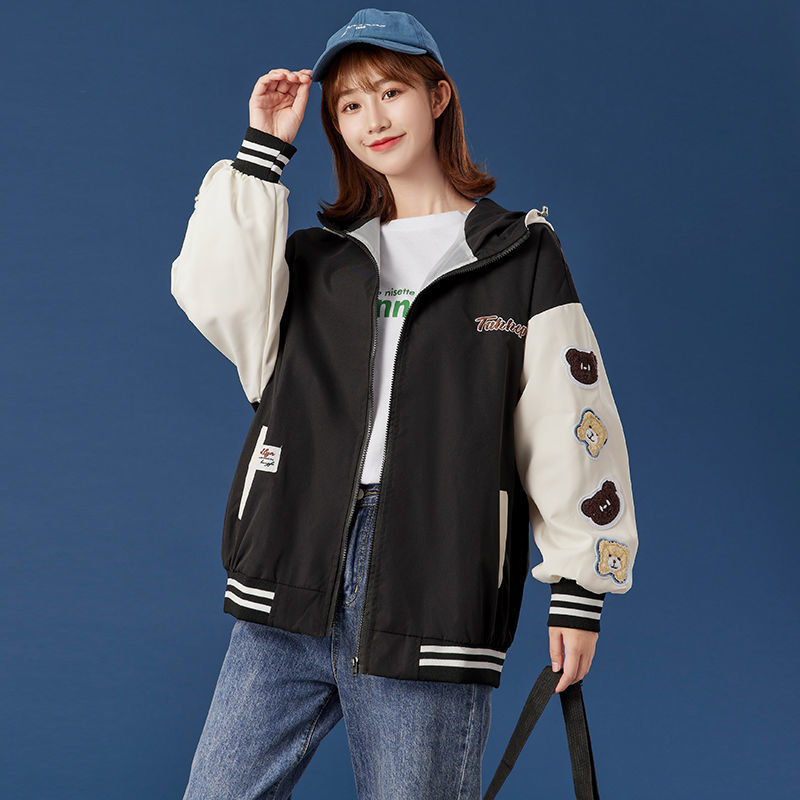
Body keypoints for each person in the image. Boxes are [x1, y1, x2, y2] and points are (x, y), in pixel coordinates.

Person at [171, 8, 638, 800]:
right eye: (350, 105)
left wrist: (579, 589)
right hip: (292, 569)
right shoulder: (319, 259)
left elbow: (571, 420)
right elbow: (215, 297)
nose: (373, 119)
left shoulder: (518, 256)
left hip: (434, 587)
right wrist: (263, 150)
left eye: (391, 92)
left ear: (438, 97)